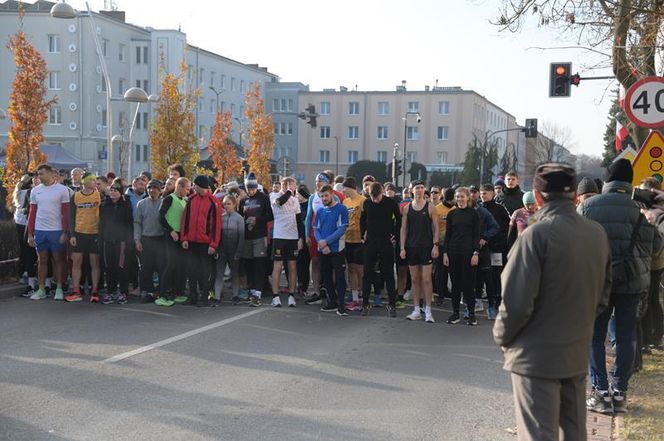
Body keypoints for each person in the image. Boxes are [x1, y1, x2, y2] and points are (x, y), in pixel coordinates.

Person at [494, 163, 612, 441]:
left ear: (537, 196)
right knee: (574, 432)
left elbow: (515, 303)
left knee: (538, 435)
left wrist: (502, 338)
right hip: (575, 351)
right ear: (574, 196)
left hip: (534, 357)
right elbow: (603, 295)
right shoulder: (596, 234)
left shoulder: (536, 235)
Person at [578, 159, 661, 414]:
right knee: (626, 336)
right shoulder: (641, 209)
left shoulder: (588, 207)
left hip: (598, 280)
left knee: (594, 335)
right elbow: (656, 247)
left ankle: (600, 392)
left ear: (607, 178)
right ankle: (620, 393)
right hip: (633, 280)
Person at [27, 164, 70, 301]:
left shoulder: (62, 190)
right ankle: (41, 289)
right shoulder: (35, 191)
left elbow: (66, 213)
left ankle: (58, 288)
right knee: (42, 260)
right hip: (40, 231)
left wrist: (65, 232)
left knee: (58, 260)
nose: (39, 176)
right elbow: (32, 212)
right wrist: (30, 233)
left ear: (52, 175)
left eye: (42, 174)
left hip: (56, 231)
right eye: (38, 174)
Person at [400, 180, 439, 323]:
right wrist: (402, 247)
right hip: (411, 247)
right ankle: (416, 309)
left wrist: (435, 245)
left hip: (426, 247)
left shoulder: (430, 207)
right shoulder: (406, 208)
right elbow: (403, 229)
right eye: (417, 188)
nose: (420, 190)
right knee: (415, 279)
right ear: (412, 190)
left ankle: (428, 310)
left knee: (427, 279)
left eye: (422, 188)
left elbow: (436, 228)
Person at [360, 182, 401, 317]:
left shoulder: (391, 203)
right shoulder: (366, 203)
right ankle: (365, 303)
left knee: (388, 273)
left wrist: (395, 235)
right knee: (367, 273)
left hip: (386, 241)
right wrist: (362, 235)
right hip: (371, 241)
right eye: (372, 197)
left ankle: (392, 304)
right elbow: (362, 220)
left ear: (382, 193)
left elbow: (399, 220)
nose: (375, 200)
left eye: (377, 198)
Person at [180, 175, 221, 307]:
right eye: (201, 187)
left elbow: (217, 225)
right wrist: (184, 238)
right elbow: (185, 220)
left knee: (204, 271)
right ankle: (193, 295)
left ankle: (204, 296)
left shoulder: (213, 202)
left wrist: (214, 244)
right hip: (192, 241)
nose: (204, 190)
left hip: (206, 243)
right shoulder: (191, 200)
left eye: (205, 188)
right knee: (191, 270)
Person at [443, 187, 480, 325]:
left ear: (468, 198)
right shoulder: (452, 214)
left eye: (462, 197)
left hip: (468, 253)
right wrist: (445, 253)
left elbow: (477, 235)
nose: (459, 199)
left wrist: (476, 253)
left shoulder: (473, 214)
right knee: (455, 284)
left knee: (468, 284)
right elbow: (448, 234)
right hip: (453, 252)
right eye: (457, 197)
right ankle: (455, 313)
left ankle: (471, 313)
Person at [313, 184, 349, 316]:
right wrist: (322, 244)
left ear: (332, 194)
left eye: (326, 195)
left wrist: (326, 241)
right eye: (322, 196)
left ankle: (341, 305)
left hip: (337, 249)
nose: (324, 198)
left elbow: (342, 229)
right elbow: (316, 229)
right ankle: (332, 301)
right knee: (326, 276)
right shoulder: (320, 211)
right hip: (323, 250)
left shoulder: (341, 209)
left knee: (339, 277)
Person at [269, 177, 304, 308]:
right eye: (287, 185)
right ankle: (275, 296)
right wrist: (288, 192)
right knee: (277, 266)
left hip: (292, 237)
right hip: (279, 237)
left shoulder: (295, 201)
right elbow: (280, 202)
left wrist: (301, 237)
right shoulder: (274, 196)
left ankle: (291, 296)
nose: (290, 187)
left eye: (292, 185)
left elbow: (299, 220)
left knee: (292, 266)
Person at [239, 172, 273, 306]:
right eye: (248, 188)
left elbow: (270, 216)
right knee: (249, 265)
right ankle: (251, 289)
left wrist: (257, 220)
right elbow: (240, 216)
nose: (251, 191)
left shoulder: (263, 198)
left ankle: (257, 293)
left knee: (259, 264)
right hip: (247, 236)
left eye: (253, 188)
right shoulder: (243, 200)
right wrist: (246, 221)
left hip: (260, 235)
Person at [67, 172, 102, 302]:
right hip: (79, 233)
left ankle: (94, 291)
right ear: (85, 182)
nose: (95, 183)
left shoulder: (99, 195)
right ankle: (76, 290)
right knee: (76, 263)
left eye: (95, 181)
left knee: (95, 263)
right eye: (92, 180)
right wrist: (72, 235)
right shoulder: (75, 196)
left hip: (94, 233)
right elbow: (71, 216)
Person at [479, 184, 511, 319]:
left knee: (495, 275)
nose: (483, 195)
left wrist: (500, 241)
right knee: (481, 275)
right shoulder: (478, 208)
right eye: (481, 193)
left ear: (493, 193)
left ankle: (497, 301)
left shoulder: (499, 209)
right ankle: (480, 300)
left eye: (485, 193)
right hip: (481, 248)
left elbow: (506, 227)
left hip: (496, 247)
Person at [158, 177, 191, 306]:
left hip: (181, 236)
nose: (188, 192)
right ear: (180, 187)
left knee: (181, 265)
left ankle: (178, 292)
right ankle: (162, 294)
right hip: (171, 235)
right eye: (187, 189)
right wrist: (170, 230)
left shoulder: (185, 200)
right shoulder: (169, 198)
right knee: (170, 264)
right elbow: (160, 216)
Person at [99, 182, 134, 305]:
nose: (113, 193)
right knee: (109, 268)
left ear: (121, 192)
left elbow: (129, 224)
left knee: (122, 268)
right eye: (111, 190)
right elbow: (101, 224)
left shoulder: (126, 205)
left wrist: (129, 241)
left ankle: (123, 292)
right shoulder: (105, 205)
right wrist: (101, 238)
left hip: (122, 242)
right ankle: (110, 291)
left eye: (116, 191)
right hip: (108, 241)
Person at [134, 179, 165, 303]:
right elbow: (137, 223)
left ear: (160, 190)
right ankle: (147, 291)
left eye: (155, 188)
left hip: (160, 239)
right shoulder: (141, 204)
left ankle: (161, 291)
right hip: (146, 238)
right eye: (149, 188)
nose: (152, 191)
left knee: (161, 266)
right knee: (146, 267)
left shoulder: (163, 203)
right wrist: (137, 240)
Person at [215, 195, 244, 305]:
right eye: (224, 203)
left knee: (234, 273)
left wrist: (238, 251)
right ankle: (217, 296)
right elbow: (217, 235)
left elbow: (241, 236)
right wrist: (216, 249)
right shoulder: (221, 217)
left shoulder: (239, 218)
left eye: (229, 204)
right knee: (219, 273)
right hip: (222, 250)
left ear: (234, 204)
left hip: (233, 250)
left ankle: (235, 295)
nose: (226, 206)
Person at [342, 177, 366, 311]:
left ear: (350, 188)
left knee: (360, 269)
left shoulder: (362, 200)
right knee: (351, 268)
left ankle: (363, 296)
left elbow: (367, 219)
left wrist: (365, 234)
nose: (343, 191)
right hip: (348, 239)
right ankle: (355, 298)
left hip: (359, 239)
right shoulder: (345, 201)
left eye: (344, 189)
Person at [13, 174, 37, 294]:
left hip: (19, 220)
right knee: (30, 249)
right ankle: (28, 271)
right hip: (27, 221)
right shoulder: (30, 192)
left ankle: (22, 272)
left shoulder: (18, 190)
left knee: (23, 248)